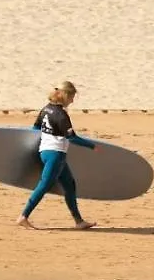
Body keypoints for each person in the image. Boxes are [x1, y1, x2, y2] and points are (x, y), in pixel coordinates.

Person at [17, 81, 97, 230]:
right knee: (44, 185)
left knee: (69, 185)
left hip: (45, 152)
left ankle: (79, 221)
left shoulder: (46, 109)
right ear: (65, 95)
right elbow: (72, 138)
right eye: (72, 97)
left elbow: (34, 129)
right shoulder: (61, 115)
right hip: (56, 154)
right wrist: (92, 146)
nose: (72, 101)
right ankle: (23, 216)